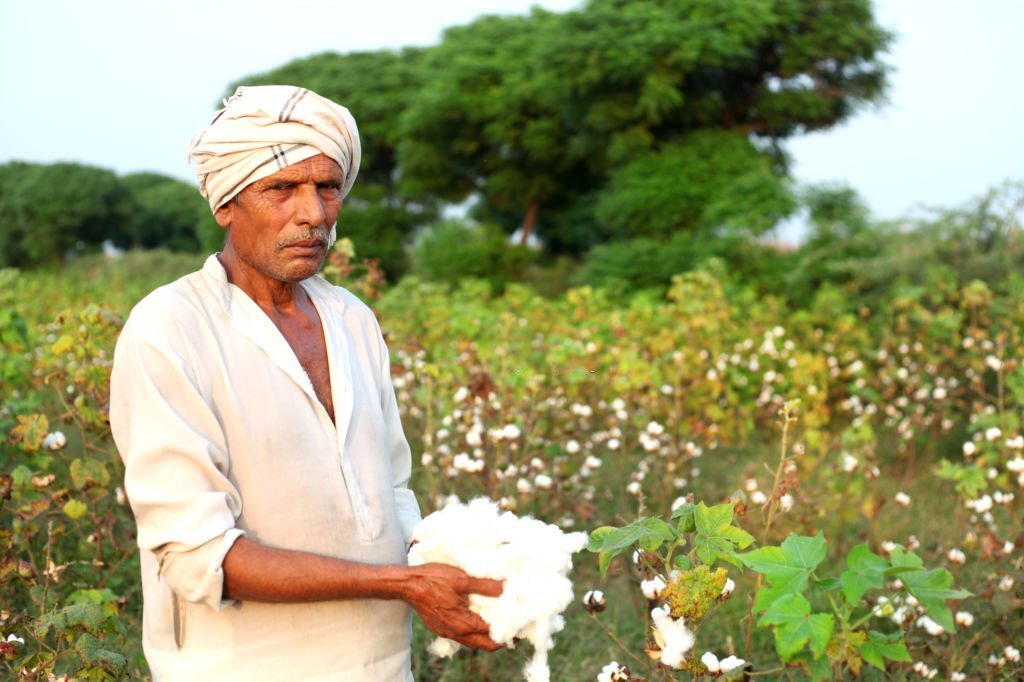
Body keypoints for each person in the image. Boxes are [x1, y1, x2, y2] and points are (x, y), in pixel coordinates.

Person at [109, 85, 501, 681]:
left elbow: (391, 491)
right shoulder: (171, 329)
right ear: (225, 203)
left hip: (379, 666)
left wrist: (465, 569)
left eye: (327, 187)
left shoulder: (352, 320)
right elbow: (197, 555)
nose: (313, 213)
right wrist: (404, 583)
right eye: (281, 188)